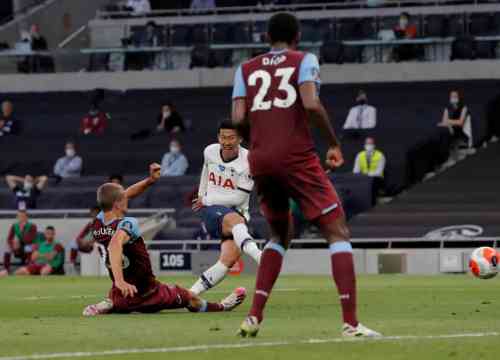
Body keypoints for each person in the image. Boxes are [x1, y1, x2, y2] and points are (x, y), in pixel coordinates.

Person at [231, 12, 380, 338]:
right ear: (296, 36)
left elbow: (238, 118)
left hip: (260, 159)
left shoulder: (244, 69)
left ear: (267, 38)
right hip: (296, 156)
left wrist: (262, 136)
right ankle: (350, 324)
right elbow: (311, 105)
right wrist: (333, 143)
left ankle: (254, 316)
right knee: (337, 231)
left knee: (279, 236)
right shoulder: (304, 59)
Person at [82, 163, 246, 316]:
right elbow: (115, 244)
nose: (127, 197)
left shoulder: (97, 223)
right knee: (189, 298)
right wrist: (120, 281)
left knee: (119, 300)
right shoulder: (127, 223)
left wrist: (149, 181)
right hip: (150, 292)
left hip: (124, 295)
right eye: (123, 197)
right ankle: (222, 306)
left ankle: (109, 304)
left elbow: (125, 195)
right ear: (117, 203)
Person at [190, 121, 261, 295]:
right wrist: (203, 197)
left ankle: (190, 294)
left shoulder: (249, 161)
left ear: (240, 139)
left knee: (227, 260)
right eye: (223, 137)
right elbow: (205, 172)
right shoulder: (210, 151)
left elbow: (239, 198)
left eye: (231, 138)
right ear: (218, 137)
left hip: (237, 212)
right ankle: (261, 257)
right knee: (235, 220)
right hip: (212, 210)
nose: (226, 142)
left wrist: (205, 198)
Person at [0, 210, 39, 276]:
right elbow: (9, 239)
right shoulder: (14, 226)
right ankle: (6, 270)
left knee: (31, 247)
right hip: (19, 247)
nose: (21, 218)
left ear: (27, 217)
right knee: (7, 247)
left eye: (23, 216)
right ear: (17, 217)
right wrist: (13, 245)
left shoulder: (32, 226)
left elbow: (29, 240)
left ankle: (29, 269)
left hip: (29, 245)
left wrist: (22, 231)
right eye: (19, 216)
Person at [69, 205, 102, 273]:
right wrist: (80, 241)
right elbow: (80, 235)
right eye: (93, 213)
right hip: (89, 245)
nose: (94, 215)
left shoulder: (103, 223)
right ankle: (72, 264)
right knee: (73, 243)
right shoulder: (90, 223)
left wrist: (90, 242)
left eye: (96, 213)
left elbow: (101, 236)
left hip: (98, 244)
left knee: (97, 244)